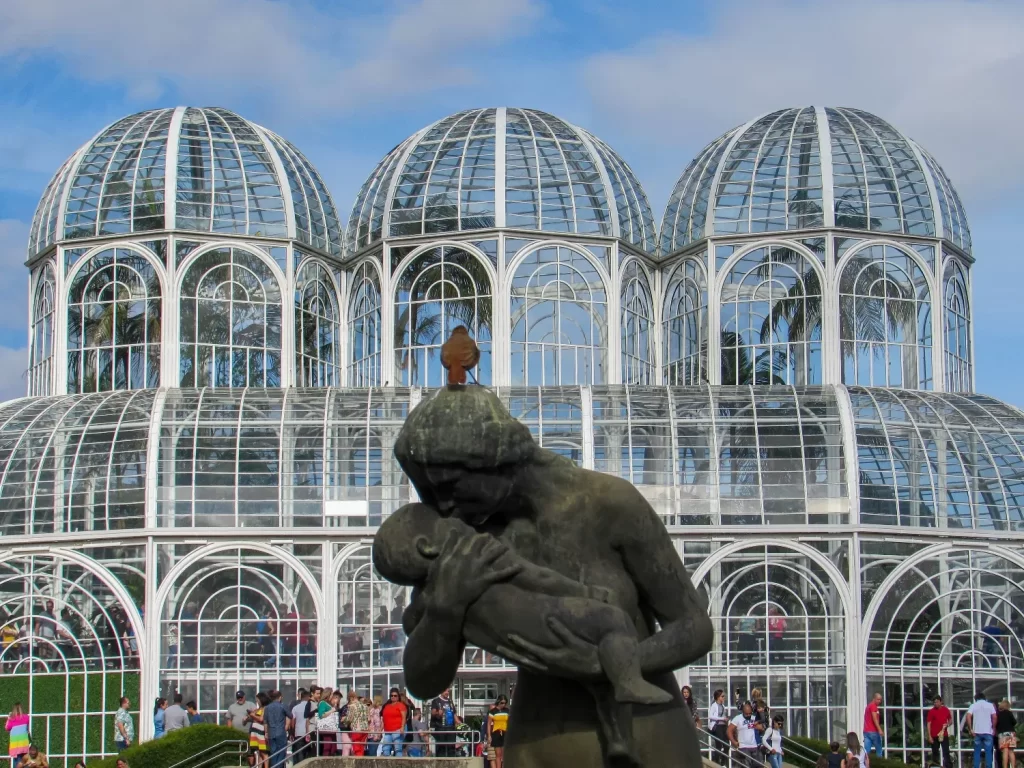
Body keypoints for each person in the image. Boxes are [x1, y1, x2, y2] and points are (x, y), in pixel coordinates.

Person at [392, 384, 713, 767]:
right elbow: (422, 682)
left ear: (492, 458)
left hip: (650, 746)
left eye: (447, 486)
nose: (441, 505)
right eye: (428, 492)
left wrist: (610, 665)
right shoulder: (466, 542)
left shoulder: (609, 505)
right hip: (537, 749)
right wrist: (445, 610)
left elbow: (694, 627)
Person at [376, 503, 672, 760]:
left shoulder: (427, 598)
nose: (456, 519)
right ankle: (626, 683)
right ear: (428, 547)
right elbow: (538, 577)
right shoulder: (480, 552)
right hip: (545, 617)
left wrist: (441, 609)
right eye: (446, 522)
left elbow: (413, 626)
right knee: (614, 621)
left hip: (522, 637)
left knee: (597, 681)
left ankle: (619, 727)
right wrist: (585, 591)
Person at [968, 691, 997, 768]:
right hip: (988, 731)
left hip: (977, 732)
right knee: (988, 752)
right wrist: (994, 729)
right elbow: (994, 717)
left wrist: (970, 729)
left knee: (977, 752)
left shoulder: (973, 705)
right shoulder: (990, 705)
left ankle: (976, 766)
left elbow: (968, 716)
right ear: (985, 698)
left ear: (976, 699)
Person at [728, 701, 761, 768]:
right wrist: (733, 741)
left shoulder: (754, 718)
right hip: (743, 747)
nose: (749, 715)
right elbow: (729, 730)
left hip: (754, 746)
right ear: (743, 711)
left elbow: (762, 728)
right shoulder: (738, 718)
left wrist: (757, 726)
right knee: (746, 765)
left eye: (750, 713)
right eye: (746, 714)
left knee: (758, 765)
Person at [263, 690, 289, 768]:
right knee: (281, 752)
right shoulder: (282, 706)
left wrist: (266, 733)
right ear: (280, 697)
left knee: (273, 753)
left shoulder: (267, 707)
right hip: (280, 731)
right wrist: (287, 725)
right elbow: (290, 715)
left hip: (271, 732)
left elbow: (265, 721)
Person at [379, 688, 407, 757]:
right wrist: (380, 729)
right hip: (387, 731)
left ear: (398, 696)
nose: (393, 697)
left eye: (395, 695)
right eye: (392, 695)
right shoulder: (386, 706)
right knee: (385, 749)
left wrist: (402, 727)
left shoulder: (401, 705)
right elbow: (384, 719)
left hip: (397, 730)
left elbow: (404, 717)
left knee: (398, 749)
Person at [430, 687, 457, 757]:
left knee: (451, 750)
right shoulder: (436, 701)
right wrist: (438, 713)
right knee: (441, 750)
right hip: (440, 728)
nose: (447, 693)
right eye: (445, 691)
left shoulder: (450, 701)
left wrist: (460, 723)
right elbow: (432, 712)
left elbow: (454, 714)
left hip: (451, 728)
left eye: (448, 691)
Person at [926, 695, 952, 768]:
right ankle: (936, 766)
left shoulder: (946, 710)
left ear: (941, 702)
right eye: (934, 702)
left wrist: (947, 724)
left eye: (937, 702)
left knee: (946, 751)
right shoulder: (931, 711)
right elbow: (929, 723)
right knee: (935, 752)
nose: (935, 704)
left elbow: (950, 720)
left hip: (944, 734)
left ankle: (948, 766)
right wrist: (929, 736)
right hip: (934, 735)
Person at [290, 689, 314, 765]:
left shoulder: (295, 708)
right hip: (310, 732)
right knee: (309, 752)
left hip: (298, 733)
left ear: (301, 697)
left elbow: (293, 722)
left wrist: (292, 733)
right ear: (309, 697)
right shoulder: (312, 707)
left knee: (299, 752)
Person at [342, 690, 369, 756]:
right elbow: (368, 718)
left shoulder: (352, 706)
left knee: (356, 748)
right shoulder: (365, 706)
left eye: (349, 700)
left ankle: (358, 763)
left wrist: (344, 720)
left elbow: (349, 718)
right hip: (365, 729)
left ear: (351, 698)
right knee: (361, 747)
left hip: (357, 729)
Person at [708, 688, 730, 766]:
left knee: (727, 745)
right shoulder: (714, 706)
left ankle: (723, 761)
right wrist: (721, 718)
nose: (724, 698)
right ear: (718, 697)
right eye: (722, 696)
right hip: (717, 727)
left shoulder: (723, 706)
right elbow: (710, 716)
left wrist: (726, 719)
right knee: (719, 745)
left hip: (724, 726)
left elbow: (723, 715)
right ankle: (717, 763)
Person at [488, 695, 510, 768]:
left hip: (505, 732)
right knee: (498, 754)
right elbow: (488, 724)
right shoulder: (492, 711)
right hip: (496, 733)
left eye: (505, 703)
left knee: (504, 755)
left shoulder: (507, 710)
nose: (503, 704)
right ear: (498, 702)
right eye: (502, 703)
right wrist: (489, 735)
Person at [6, 702, 30, 767]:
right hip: (24, 744)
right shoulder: (26, 717)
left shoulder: (12, 718)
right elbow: (27, 727)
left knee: (17, 763)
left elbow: (7, 728)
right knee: (25, 761)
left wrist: (9, 718)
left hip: (15, 745)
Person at [248, 692, 269, 767]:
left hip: (261, 732)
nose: (257, 701)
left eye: (257, 700)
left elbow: (261, 719)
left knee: (264, 752)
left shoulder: (265, 708)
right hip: (255, 732)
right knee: (260, 752)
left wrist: (253, 715)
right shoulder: (259, 709)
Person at [996, 700, 1017, 768]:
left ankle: (1005, 767)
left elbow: (996, 724)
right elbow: (1014, 722)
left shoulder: (998, 714)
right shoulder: (1009, 713)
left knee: (1005, 751)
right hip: (1011, 733)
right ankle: (1013, 767)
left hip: (1002, 734)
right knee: (1011, 751)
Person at [863, 692, 883, 758]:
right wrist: (879, 729)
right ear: (874, 698)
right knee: (879, 750)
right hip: (873, 731)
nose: (879, 701)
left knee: (866, 751)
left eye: (880, 700)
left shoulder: (868, 706)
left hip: (866, 731)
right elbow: (875, 719)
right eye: (878, 699)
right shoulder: (873, 706)